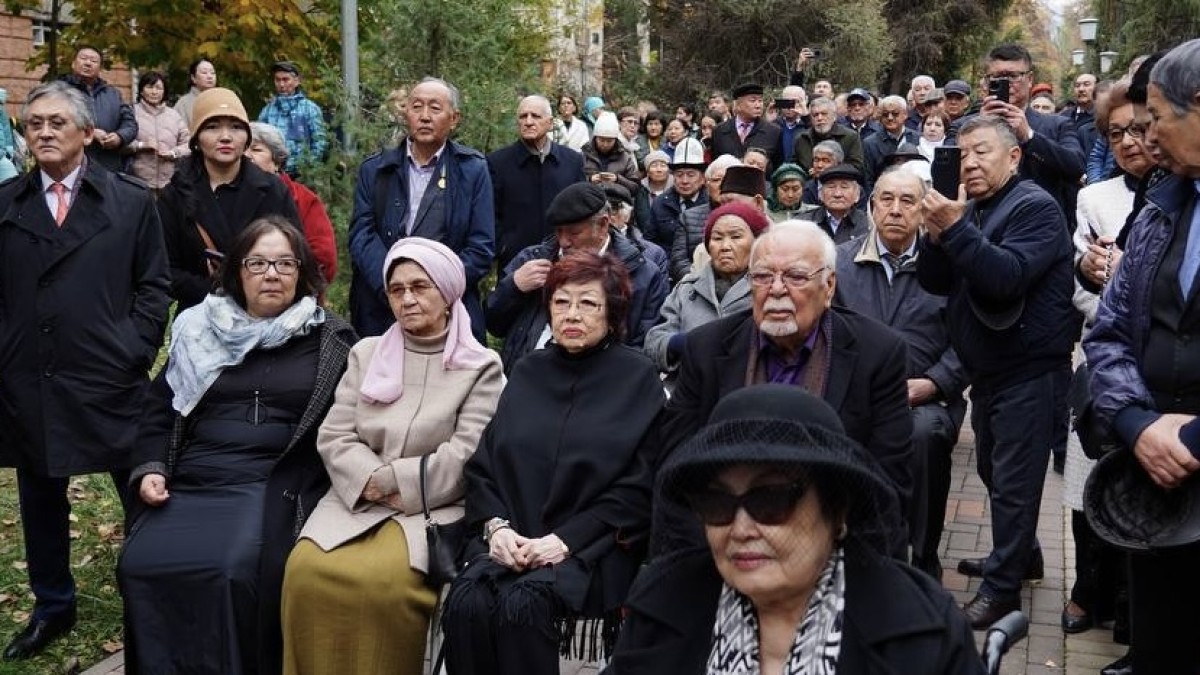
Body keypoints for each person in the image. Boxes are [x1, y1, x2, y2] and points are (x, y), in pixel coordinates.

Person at [607, 385, 984, 674]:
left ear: (837, 512)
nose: (740, 528)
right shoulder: (662, 604)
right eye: (717, 503)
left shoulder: (921, 632)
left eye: (770, 500)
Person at [119, 218, 354, 674]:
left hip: (269, 482)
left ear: (302, 273)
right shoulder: (198, 332)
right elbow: (159, 409)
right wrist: (151, 467)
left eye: (285, 263)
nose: (272, 274)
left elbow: (352, 424)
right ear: (236, 273)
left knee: (234, 569)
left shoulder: (333, 340)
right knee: (141, 564)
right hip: (193, 481)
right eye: (258, 263)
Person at [0, 80, 171, 661]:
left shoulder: (128, 201)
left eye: (56, 123)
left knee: (137, 493)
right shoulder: (5, 203)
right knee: (40, 497)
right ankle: (53, 606)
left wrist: (133, 347)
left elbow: (154, 286)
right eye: (34, 125)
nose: (44, 133)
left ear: (85, 133)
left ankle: (148, 600)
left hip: (108, 376)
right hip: (30, 378)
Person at [281, 237, 503, 675]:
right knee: (304, 574)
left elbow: (465, 455)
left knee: (384, 587)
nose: (407, 299)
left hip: (428, 509)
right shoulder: (366, 354)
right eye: (397, 290)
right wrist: (375, 482)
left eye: (420, 287)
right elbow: (335, 434)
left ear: (447, 292)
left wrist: (399, 484)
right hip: (357, 498)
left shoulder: (481, 366)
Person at [442, 251, 665, 675]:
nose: (572, 315)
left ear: (612, 312)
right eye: (561, 303)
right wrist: (497, 528)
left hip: (591, 547)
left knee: (522, 605)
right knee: (468, 600)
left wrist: (565, 540)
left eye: (587, 303)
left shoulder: (637, 379)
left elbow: (640, 486)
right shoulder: (528, 372)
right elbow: (487, 464)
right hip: (512, 536)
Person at [654, 220, 914, 556]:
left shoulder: (877, 353)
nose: (776, 289)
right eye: (762, 276)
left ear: (829, 286)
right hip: (724, 546)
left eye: (796, 276)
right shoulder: (706, 348)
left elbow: (887, 484)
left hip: (831, 551)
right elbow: (675, 472)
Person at [918, 115, 1075, 628]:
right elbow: (938, 282)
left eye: (981, 152)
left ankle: (1002, 591)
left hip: (1029, 368)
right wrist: (936, 234)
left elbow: (1005, 278)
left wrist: (957, 229)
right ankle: (1022, 554)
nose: (969, 163)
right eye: (961, 154)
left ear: (1013, 157)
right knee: (993, 470)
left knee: (1014, 481)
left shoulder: (1034, 207)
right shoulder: (975, 207)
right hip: (986, 368)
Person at [1083, 38, 1200, 674]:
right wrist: (1136, 425)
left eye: (1156, 116)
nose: (1146, 134)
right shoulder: (1159, 209)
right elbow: (1109, 334)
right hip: (1155, 483)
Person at [834, 167, 968, 579]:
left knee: (924, 437)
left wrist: (935, 382)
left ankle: (924, 556)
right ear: (871, 207)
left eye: (907, 201)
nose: (895, 210)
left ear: (925, 210)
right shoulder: (839, 262)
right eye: (886, 200)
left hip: (924, 395)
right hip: (853, 393)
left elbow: (970, 341)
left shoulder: (950, 264)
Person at [1058, 77, 1147, 666]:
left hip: (1165, 370)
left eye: (1139, 129)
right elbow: (1075, 285)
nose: (1129, 142)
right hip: (1104, 358)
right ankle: (1088, 590)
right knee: (1088, 482)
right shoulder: (1096, 198)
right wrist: (1095, 283)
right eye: (1115, 133)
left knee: (1146, 490)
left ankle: (1135, 608)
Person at [348, 78, 494, 339]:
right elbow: (362, 235)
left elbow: (480, 247)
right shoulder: (377, 169)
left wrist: (435, 291)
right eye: (417, 107)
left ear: (454, 118)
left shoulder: (472, 170)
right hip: (382, 307)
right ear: (406, 114)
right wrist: (394, 288)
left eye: (435, 108)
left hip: (447, 309)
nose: (425, 116)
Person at [486, 182, 669, 373]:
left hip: (604, 384)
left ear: (603, 225)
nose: (564, 242)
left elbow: (645, 347)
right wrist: (514, 287)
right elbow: (495, 325)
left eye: (574, 233)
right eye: (558, 232)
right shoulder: (533, 259)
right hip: (530, 376)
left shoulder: (641, 273)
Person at [157, 87, 300, 311]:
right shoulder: (175, 195)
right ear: (196, 139)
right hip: (200, 317)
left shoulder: (273, 190)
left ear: (246, 138)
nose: (225, 136)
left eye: (235, 127)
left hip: (265, 315)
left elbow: (295, 255)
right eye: (212, 127)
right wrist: (216, 289)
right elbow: (164, 269)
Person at [644, 202, 768, 381]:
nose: (725, 246)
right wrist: (684, 343)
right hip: (688, 390)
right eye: (717, 238)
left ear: (757, 242)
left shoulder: (769, 289)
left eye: (736, 237)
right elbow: (653, 344)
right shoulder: (687, 288)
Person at [488, 95, 585, 271]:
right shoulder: (497, 162)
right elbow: (490, 213)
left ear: (549, 123)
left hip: (564, 262)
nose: (529, 121)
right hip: (514, 262)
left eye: (536, 116)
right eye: (523, 116)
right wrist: (503, 247)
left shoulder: (572, 161)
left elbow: (581, 211)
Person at [247, 122, 339, 284]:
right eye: (243, 150)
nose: (247, 155)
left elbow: (324, 258)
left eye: (256, 149)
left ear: (277, 161)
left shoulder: (303, 198)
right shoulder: (231, 196)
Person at [60, 45, 137, 172]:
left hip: (108, 166)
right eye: (83, 58)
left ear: (99, 68)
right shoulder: (59, 91)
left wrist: (120, 137)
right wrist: (89, 133)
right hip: (71, 165)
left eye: (94, 61)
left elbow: (130, 123)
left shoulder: (113, 94)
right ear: (73, 64)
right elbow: (55, 123)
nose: (88, 63)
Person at [258, 61, 328, 175]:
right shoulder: (267, 111)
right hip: (274, 174)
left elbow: (320, 143)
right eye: (277, 80)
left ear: (296, 81)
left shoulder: (309, 109)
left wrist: (308, 169)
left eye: (285, 79)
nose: (281, 85)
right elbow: (258, 142)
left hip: (303, 176)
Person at [127, 71, 190, 191]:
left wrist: (173, 153)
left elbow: (188, 145)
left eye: (159, 88)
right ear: (141, 90)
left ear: (164, 92)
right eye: (150, 87)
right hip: (138, 183)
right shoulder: (131, 112)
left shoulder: (174, 115)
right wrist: (141, 145)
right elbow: (120, 143)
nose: (154, 92)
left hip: (169, 184)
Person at [711, 83, 782, 170]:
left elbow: (778, 166)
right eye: (752, 101)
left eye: (760, 101)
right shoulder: (719, 131)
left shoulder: (773, 131)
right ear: (738, 104)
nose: (758, 105)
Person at [793, 97, 866, 175]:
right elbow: (795, 168)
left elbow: (857, 167)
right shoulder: (801, 139)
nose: (819, 118)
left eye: (824, 114)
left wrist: (829, 172)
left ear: (834, 116)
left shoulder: (850, 137)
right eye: (815, 115)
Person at [582, 112, 641, 194]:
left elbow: (635, 187)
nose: (605, 144)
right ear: (595, 138)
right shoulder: (583, 155)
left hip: (617, 202)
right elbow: (572, 181)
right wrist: (589, 180)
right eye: (601, 140)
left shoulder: (625, 157)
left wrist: (617, 179)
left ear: (615, 140)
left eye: (609, 141)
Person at [812, 163, 870, 244]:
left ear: (857, 195)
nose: (837, 194)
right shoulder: (804, 224)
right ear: (820, 194)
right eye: (831, 187)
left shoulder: (869, 225)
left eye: (844, 187)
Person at [173, 59, 217, 129]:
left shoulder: (221, 99)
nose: (210, 76)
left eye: (212, 73)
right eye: (204, 72)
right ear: (193, 78)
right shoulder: (183, 103)